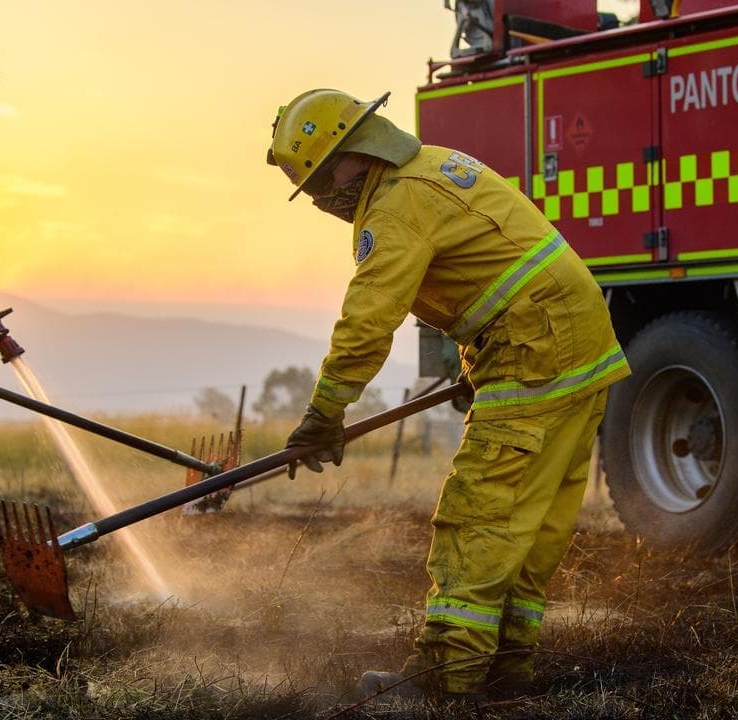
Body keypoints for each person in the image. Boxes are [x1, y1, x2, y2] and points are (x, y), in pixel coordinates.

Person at [268, 89, 630, 699]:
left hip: (536, 346)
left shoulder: (395, 207)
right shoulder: (434, 166)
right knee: (529, 521)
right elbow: (487, 271)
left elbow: (367, 322)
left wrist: (323, 413)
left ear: (351, 155)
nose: (323, 201)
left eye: (322, 183)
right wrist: (483, 360)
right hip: (573, 342)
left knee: (480, 512)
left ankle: (445, 675)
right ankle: (506, 666)